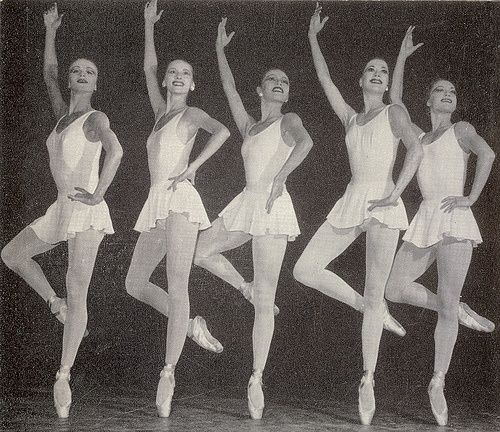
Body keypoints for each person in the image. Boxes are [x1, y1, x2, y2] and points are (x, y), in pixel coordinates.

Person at [293, 4, 423, 425]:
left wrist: (395, 195)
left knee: (374, 290)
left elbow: (415, 149)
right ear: (362, 79)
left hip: (383, 203)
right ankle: (371, 309)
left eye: (384, 71)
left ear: (387, 84)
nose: (378, 73)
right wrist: (313, 38)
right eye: (372, 69)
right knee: (305, 269)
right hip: (352, 200)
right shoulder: (350, 116)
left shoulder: (394, 111)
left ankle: (367, 379)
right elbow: (324, 79)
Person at [1, 3, 123, 418]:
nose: (81, 75)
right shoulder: (61, 118)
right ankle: (54, 304)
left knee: (79, 288)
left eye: (89, 72)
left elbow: (116, 150)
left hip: (85, 213)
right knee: (12, 254)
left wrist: (98, 194)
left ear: (96, 82)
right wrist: (50, 30)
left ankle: (64, 374)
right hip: (60, 208)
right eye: (77, 71)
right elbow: (49, 74)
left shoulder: (95, 117)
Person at [193, 17, 313, 419]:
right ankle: (241, 285)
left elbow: (306, 143)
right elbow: (228, 90)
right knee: (200, 251)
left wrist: (281, 176)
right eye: (272, 80)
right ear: (260, 90)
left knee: (267, 299)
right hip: (246, 202)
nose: (279, 84)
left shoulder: (289, 120)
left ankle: (256, 376)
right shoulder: (249, 126)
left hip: (273, 207)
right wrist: (219, 52)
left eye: (285, 81)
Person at [385, 26, 496, 426]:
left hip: (454, 218)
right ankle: (456, 307)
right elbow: (394, 100)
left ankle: (437, 381)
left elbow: (488, 154)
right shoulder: (418, 134)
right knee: (393, 288)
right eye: (440, 91)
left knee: (445, 307)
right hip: (425, 218)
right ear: (429, 99)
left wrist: (471, 198)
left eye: (452, 92)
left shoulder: (460, 129)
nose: (447, 96)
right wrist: (401, 56)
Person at [124, 0, 230, 418]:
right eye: (174, 72)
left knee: (178, 283)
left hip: (182, 202)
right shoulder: (158, 115)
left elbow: (222, 132)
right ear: (168, 81)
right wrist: (148, 26)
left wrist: (194, 167)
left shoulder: (191, 114)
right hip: (157, 202)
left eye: (186, 73)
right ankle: (188, 324)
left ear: (192, 84)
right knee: (134, 282)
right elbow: (148, 69)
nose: (177, 76)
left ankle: (168, 372)